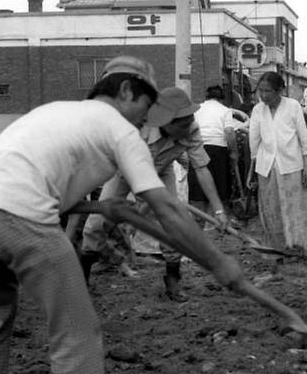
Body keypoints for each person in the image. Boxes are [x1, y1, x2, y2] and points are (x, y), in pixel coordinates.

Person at [0, 56, 269, 374]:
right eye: (146, 107)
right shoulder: (121, 130)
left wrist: (103, 209)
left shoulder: (53, 112)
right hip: (22, 218)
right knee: (77, 329)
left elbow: (38, 179)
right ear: (128, 91)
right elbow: (166, 210)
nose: (147, 118)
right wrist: (220, 263)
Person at [80, 87, 230, 301]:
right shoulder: (136, 127)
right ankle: (83, 277)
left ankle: (173, 282)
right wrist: (141, 205)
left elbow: (202, 169)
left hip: (161, 170)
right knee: (97, 222)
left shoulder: (191, 129)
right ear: (166, 122)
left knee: (171, 223)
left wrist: (218, 210)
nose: (187, 126)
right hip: (123, 170)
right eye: (182, 123)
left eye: (189, 120)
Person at [247, 72, 307, 256]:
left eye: (267, 91)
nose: (263, 95)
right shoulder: (258, 110)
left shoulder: (293, 106)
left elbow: (304, 138)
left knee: (295, 209)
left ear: (279, 90)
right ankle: (276, 251)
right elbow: (254, 142)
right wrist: (252, 172)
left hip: (292, 166)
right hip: (267, 167)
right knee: (271, 211)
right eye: (260, 91)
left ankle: (300, 248)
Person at [188, 85, 238, 218]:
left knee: (198, 188)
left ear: (206, 96)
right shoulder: (225, 110)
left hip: (198, 147)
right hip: (218, 150)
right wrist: (234, 153)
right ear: (221, 98)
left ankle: (199, 218)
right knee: (220, 186)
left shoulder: (197, 109)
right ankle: (219, 218)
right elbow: (229, 132)